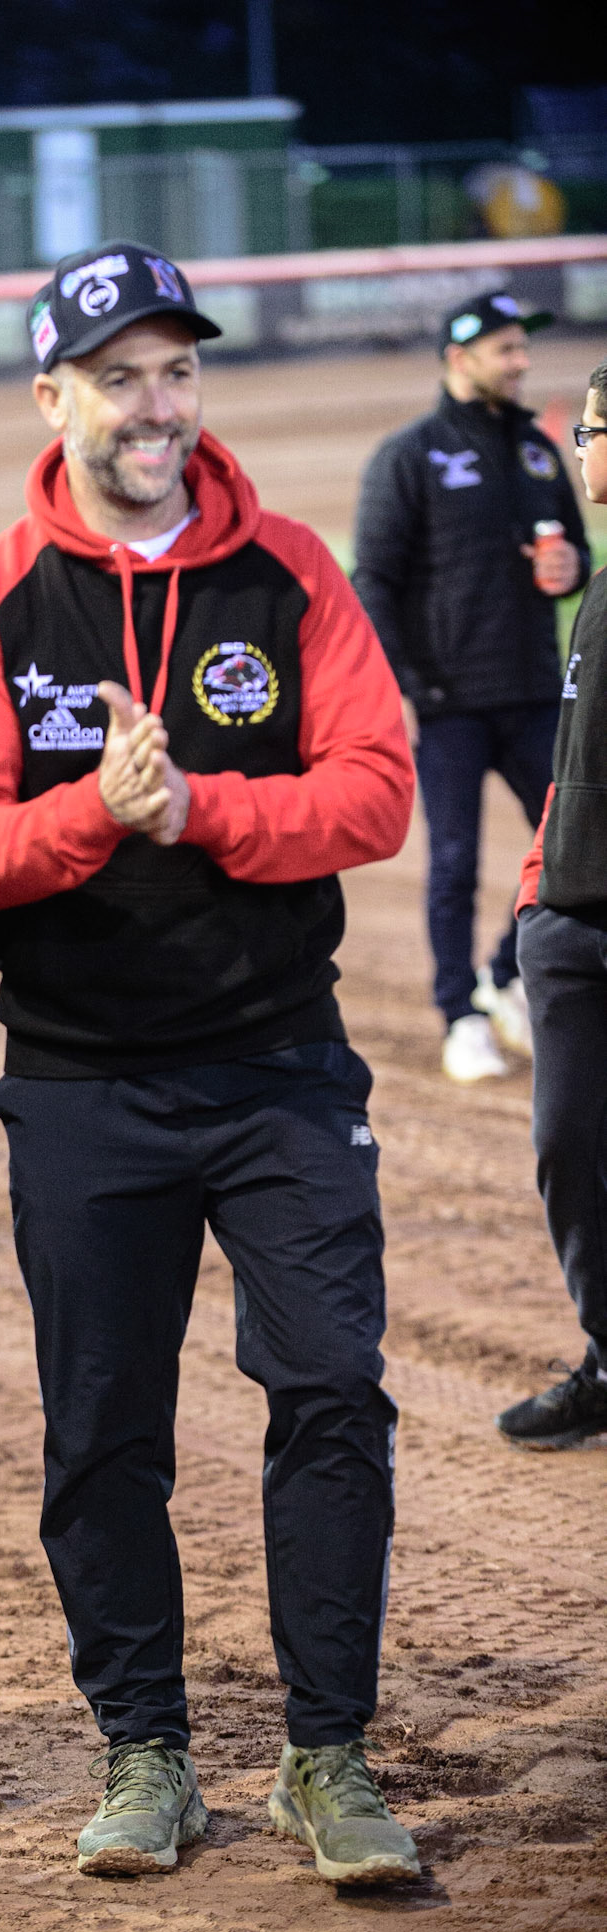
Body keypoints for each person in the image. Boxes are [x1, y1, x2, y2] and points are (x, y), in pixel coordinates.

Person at [0, 240, 420, 1887]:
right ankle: (144, 1751)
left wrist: (202, 809)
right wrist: (92, 818)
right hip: (80, 1085)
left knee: (332, 1389)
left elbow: (372, 794)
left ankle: (324, 1755)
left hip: (280, 1064)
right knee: (101, 1425)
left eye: (176, 371)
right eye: (119, 376)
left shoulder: (284, 572)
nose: (155, 405)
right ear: (50, 394)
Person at [353, 291, 589, 1084]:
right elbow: (373, 582)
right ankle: (458, 1015)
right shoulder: (407, 456)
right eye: (506, 350)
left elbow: (575, 558)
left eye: (524, 349)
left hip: (531, 692)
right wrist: (398, 684)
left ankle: (504, 974)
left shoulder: (534, 450)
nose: (521, 363)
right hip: (447, 702)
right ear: (459, 359)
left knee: (571, 845)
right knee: (453, 864)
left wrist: (570, 574)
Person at [497, 357, 607, 1452]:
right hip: (568, 922)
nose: (579, 454)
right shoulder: (595, 590)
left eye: (587, 433)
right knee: (567, 1153)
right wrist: (537, 891)